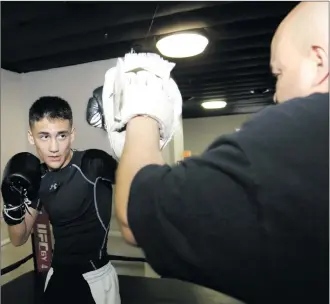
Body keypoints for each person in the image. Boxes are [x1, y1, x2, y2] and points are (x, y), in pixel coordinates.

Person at [112, 2, 328, 304]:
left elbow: (135, 213)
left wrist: (141, 114)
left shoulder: (309, 127)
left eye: (280, 73)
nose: (277, 93)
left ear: (319, 62)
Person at [1, 96, 120, 304]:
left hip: (96, 277)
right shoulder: (36, 178)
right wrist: (12, 206)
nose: (54, 147)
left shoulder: (93, 165)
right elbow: (18, 239)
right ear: (31, 137)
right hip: (57, 274)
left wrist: (122, 131)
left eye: (61, 136)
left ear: (72, 134)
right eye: (44, 137)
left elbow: (139, 181)